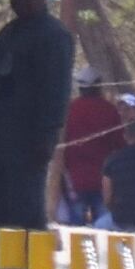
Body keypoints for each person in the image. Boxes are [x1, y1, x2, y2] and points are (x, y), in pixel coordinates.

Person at [0, 0, 76, 233]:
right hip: (1, 137)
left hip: (30, 139)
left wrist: (47, 135)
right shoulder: (9, 32)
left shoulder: (54, 36)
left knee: (25, 212)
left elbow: (57, 90)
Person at [51, 67, 126, 227]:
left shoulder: (69, 110)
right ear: (98, 86)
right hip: (102, 181)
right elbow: (120, 145)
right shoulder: (110, 111)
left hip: (74, 181)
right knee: (103, 228)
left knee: (76, 228)